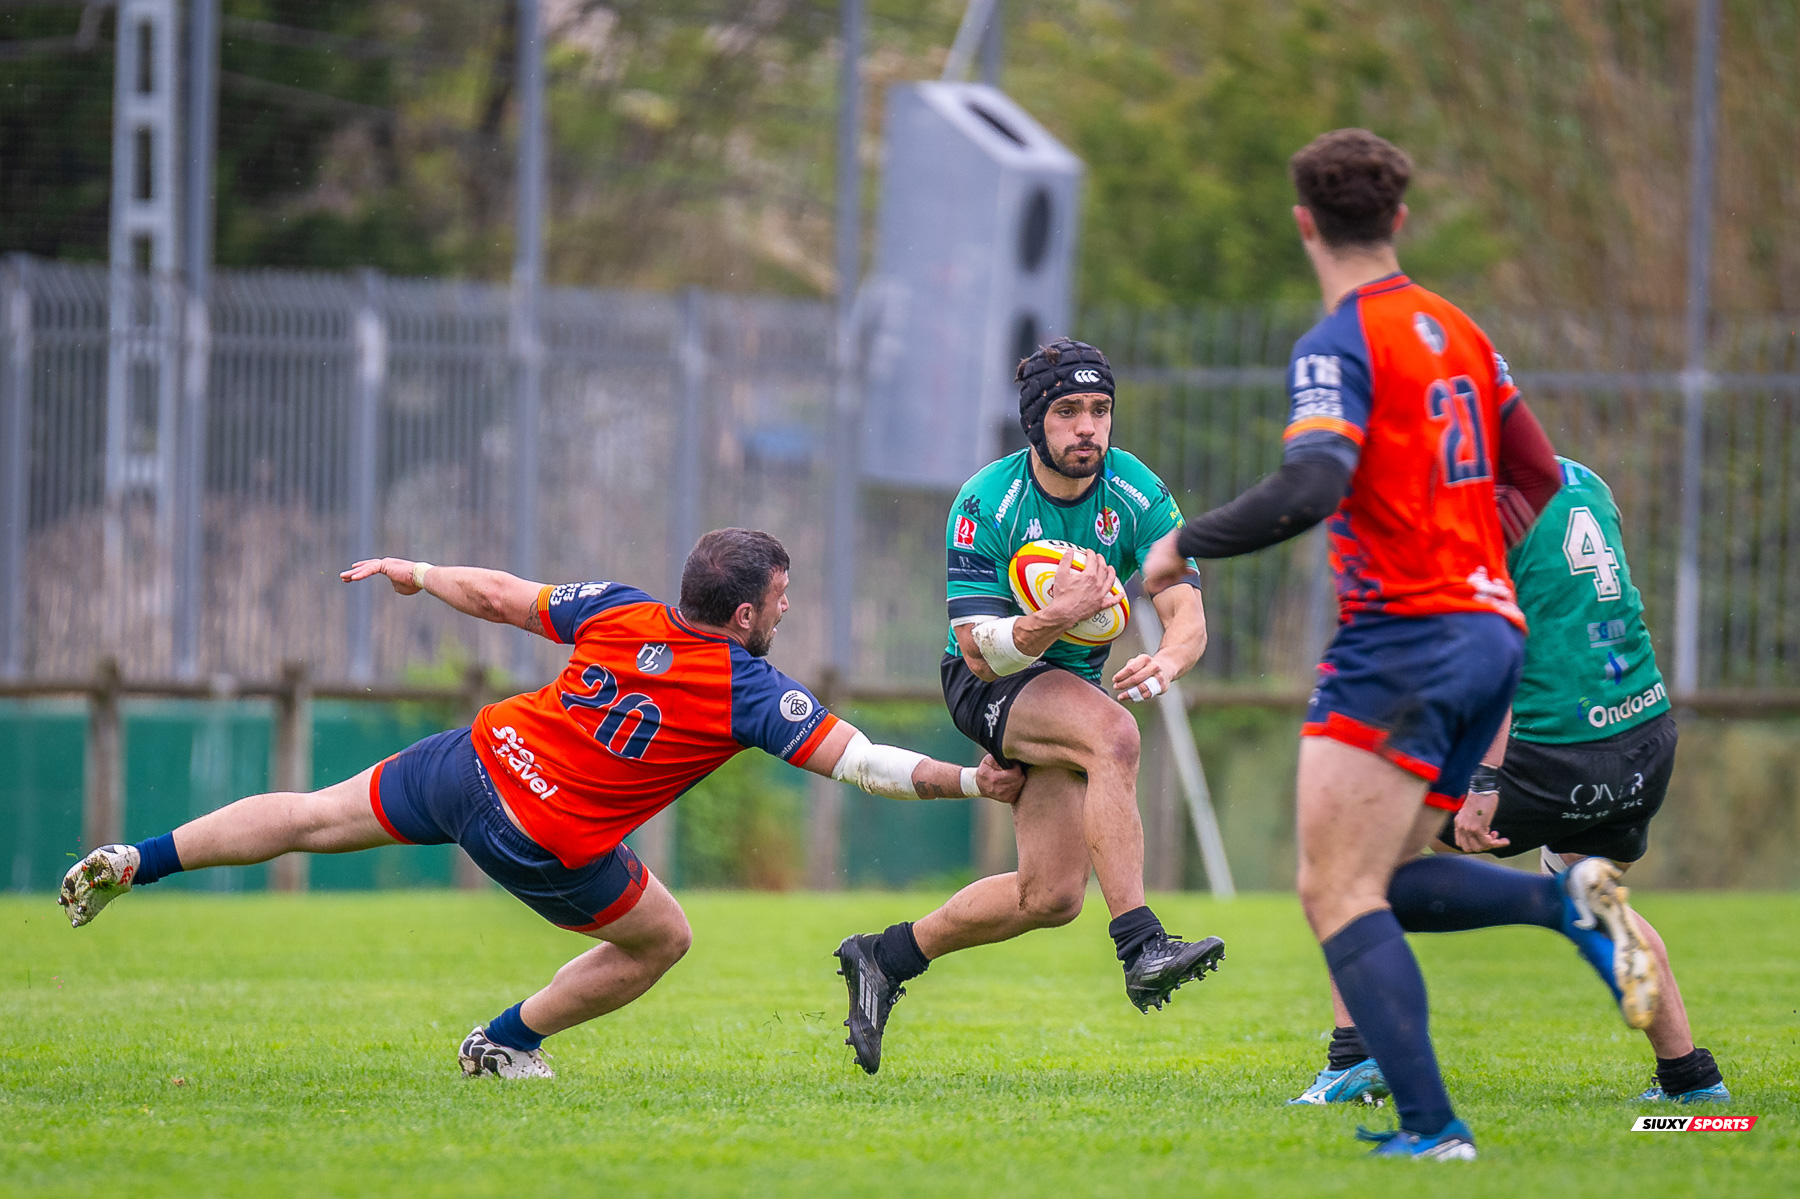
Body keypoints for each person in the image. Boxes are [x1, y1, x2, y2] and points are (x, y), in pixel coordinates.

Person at [59, 528, 1025, 1080]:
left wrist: (419, 572)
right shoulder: (749, 691)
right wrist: (970, 780)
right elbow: (865, 764)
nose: (785, 613)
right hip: (543, 836)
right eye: (779, 601)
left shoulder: (620, 606)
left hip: (477, 757)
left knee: (312, 813)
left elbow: (503, 594)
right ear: (743, 614)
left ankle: (138, 857)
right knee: (664, 939)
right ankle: (504, 1042)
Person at [1141, 129, 1657, 1160]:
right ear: (1399, 220)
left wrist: (1179, 544)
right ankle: (1560, 901)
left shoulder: (1338, 341)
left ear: (1304, 223)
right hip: (1490, 633)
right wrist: (1464, 545)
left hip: (1405, 637)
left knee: (1330, 889)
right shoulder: (1459, 329)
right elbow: (1540, 470)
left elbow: (1313, 482)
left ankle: (1436, 1125)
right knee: (1379, 875)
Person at [834, 338, 1224, 1077]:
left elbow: (1188, 611)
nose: (1088, 427)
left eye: (1100, 409)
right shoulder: (987, 501)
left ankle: (882, 958)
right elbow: (979, 650)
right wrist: (1060, 612)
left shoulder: (1137, 491)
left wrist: (1169, 658)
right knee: (1113, 734)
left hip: (1063, 688)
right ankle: (1142, 944)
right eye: (1069, 410)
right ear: (1035, 421)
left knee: (1049, 895)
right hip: (988, 682)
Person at [1291, 458, 1728, 1107]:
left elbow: (1494, 648)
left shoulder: (1480, 508)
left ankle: (1358, 1056)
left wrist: (1483, 779)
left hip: (1551, 748)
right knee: (1601, 898)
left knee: (1348, 861)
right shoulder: (1585, 479)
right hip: (1641, 736)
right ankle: (1691, 1079)